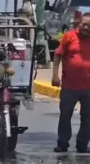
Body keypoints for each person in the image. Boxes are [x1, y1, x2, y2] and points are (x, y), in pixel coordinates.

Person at [52, 13, 90, 153]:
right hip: (69, 86)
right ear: (79, 23)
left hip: (88, 88)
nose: (85, 27)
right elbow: (58, 55)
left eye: (88, 26)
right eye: (83, 24)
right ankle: (62, 143)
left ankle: (82, 144)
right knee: (65, 116)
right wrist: (55, 75)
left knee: (87, 118)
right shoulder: (69, 36)